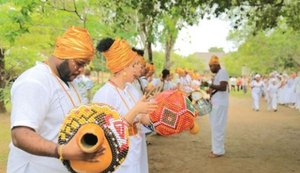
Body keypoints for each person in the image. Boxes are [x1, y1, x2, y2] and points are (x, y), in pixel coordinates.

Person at [7, 27, 105, 173]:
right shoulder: (35, 81)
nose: (81, 70)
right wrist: (62, 151)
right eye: (79, 63)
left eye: (83, 65)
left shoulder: (70, 83)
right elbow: (20, 135)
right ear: (64, 54)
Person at [93, 37, 157, 173]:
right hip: (119, 155)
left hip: (137, 147)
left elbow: (143, 118)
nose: (137, 71)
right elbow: (106, 133)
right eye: (133, 66)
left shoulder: (131, 89)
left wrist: (158, 113)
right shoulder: (104, 94)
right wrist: (136, 111)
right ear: (123, 69)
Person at [202, 55, 229, 158]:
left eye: (211, 66)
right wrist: (208, 90)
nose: (210, 68)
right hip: (216, 103)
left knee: (218, 127)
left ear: (217, 65)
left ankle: (218, 151)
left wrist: (210, 85)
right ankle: (216, 149)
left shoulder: (223, 72)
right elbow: (215, 89)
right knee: (215, 126)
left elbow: (223, 87)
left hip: (220, 104)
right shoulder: (218, 74)